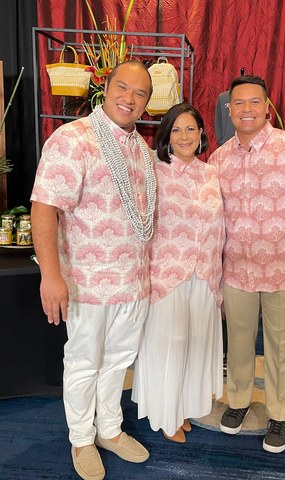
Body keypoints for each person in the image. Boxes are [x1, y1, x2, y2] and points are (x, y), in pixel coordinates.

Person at [30, 60, 155, 480]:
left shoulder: (141, 148)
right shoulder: (72, 139)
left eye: (140, 94)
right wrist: (51, 274)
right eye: (123, 87)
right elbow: (44, 206)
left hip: (133, 281)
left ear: (147, 104)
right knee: (84, 362)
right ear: (106, 87)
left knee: (118, 362)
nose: (129, 98)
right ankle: (81, 438)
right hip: (86, 281)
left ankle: (110, 429)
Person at [208, 75, 285, 454]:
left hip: (283, 269)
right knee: (239, 344)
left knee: (282, 347)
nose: (246, 109)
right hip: (236, 271)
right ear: (228, 110)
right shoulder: (218, 159)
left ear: (267, 107)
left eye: (254, 102)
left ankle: (281, 414)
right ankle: (239, 402)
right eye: (238, 103)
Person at [132, 103, 225, 444]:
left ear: (201, 133)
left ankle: (181, 407)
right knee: (169, 346)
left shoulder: (212, 173)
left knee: (194, 346)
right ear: (166, 137)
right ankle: (164, 414)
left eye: (191, 129)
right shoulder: (154, 172)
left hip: (205, 275)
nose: (184, 136)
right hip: (167, 274)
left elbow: (221, 228)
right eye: (176, 130)